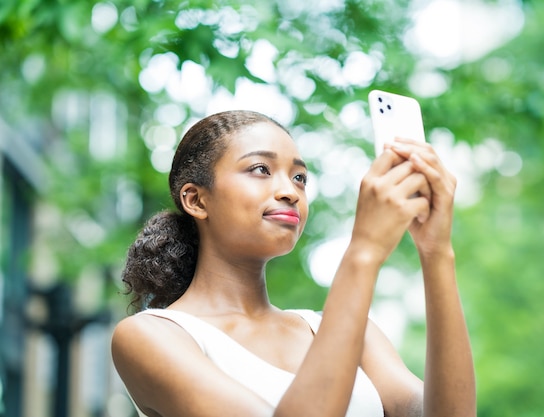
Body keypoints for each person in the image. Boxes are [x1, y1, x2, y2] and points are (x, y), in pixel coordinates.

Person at [111, 109, 476, 417]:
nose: (290, 191)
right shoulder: (152, 336)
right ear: (196, 200)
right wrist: (363, 251)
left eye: (299, 177)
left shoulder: (347, 331)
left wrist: (436, 252)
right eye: (260, 169)